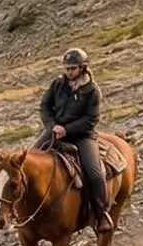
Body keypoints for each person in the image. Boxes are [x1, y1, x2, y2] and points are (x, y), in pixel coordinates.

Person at [36, 49, 107, 229]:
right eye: (66, 68)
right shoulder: (58, 84)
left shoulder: (92, 91)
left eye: (73, 68)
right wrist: (53, 126)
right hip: (55, 130)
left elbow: (91, 120)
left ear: (82, 68)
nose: (69, 72)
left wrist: (66, 129)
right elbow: (44, 106)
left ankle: (101, 214)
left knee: (95, 173)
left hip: (83, 136)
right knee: (29, 159)